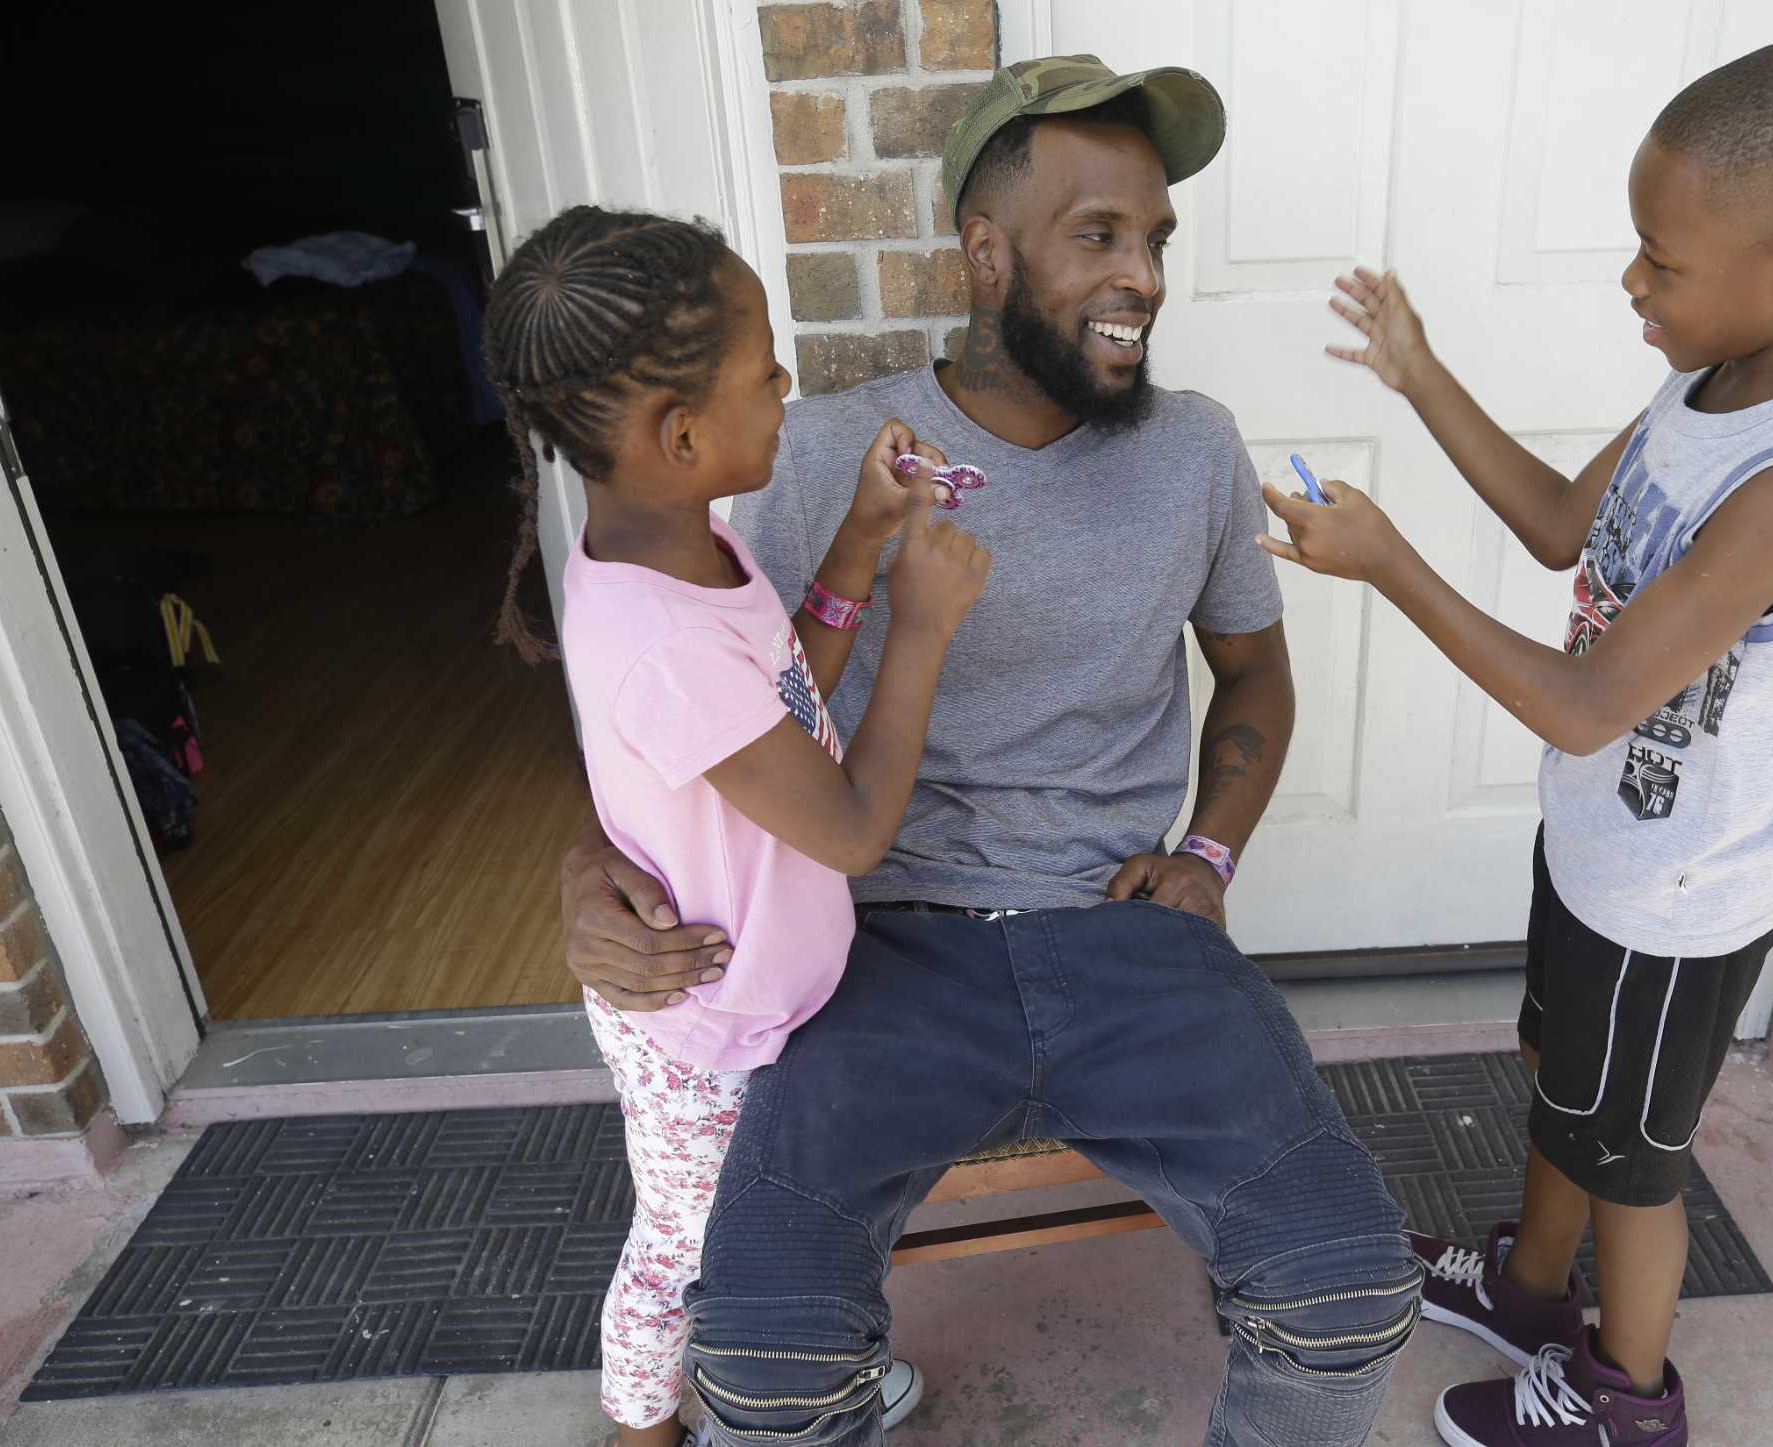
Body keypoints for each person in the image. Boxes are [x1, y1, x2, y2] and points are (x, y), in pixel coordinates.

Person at [559, 57, 1420, 1447]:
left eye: (1155, 241)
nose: (1141, 275)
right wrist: (584, 860)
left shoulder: (1195, 448)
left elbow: (1255, 667)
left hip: (1131, 937)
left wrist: (1208, 851)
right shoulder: (827, 450)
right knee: (763, 1357)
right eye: (1098, 236)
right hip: (876, 950)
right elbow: (687, 701)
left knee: (1349, 1284)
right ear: (985, 252)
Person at [1257, 39, 1773, 1447]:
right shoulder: (1716, 381)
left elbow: (1581, 700)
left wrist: (1388, 565)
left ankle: (1629, 1396)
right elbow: (1566, 521)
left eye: (1660, 261)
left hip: (1680, 903)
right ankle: (1530, 1285)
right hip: (1610, 844)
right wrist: (1421, 375)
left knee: (1633, 1158)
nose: (1633, 282)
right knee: (1565, 1078)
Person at [483, 206, 991, 1446]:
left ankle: (816, 1359)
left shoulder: (688, 548)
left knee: (785, 1220)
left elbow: (785, 702)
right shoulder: (656, 637)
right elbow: (855, 826)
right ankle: (643, 1426)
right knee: (685, 1246)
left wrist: (862, 543)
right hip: (705, 1028)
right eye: (764, 369)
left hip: (771, 1001)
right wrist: (921, 627)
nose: (784, 386)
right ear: (680, 433)